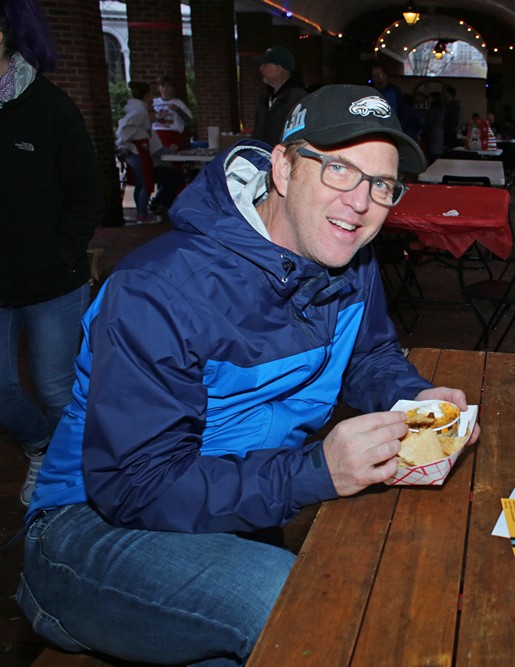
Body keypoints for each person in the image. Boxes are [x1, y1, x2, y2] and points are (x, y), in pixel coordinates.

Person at [17, 83, 479, 665]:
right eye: (338, 170)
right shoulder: (158, 292)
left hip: (232, 515)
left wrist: (416, 398)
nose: (360, 203)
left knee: (385, 586)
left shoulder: (348, 258)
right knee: (320, 611)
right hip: (88, 529)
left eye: (381, 184)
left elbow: (368, 356)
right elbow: (134, 486)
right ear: (283, 167)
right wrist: (315, 470)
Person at [0, 0, 102, 507]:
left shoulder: (50, 108)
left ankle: (68, 477)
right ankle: (41, 447)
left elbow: (88, 193)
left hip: (52, 284)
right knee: (2, 391)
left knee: (58, 390)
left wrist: (61, 254)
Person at [115, 80, 183, 223]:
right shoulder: (140, 111)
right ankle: (142, 214)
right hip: (137, 151)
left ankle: (142, 212)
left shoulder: (137, 110)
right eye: (151, 94)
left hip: (139, 150)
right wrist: (122, 144)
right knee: (146, 183)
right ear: (146, 95)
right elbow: (124, 128)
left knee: (141, 184)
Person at [252, 45, 306, 147]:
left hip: (283, 158)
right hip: (264, 158)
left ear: (278, 68)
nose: (260, 68)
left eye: (265, 64)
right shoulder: (265, 98)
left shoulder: (297, 97)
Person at [151, 73, 192, 150]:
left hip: (172, 135)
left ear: (172, 88)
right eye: (162, 86)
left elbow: (189, 121)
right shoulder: (153, 102)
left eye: (168, 86)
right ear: (159, 88)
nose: (165, 89)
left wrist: (178, 110)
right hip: (155, 135)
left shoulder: (178, 103)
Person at [442, 84, 461, 150]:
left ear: (449, 94)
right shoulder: (445, 104)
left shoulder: (454, 105)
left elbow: (454, 119)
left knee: (449, 150)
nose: (443, 94)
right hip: (446, 131)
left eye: (445, 92)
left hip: (450, 132)